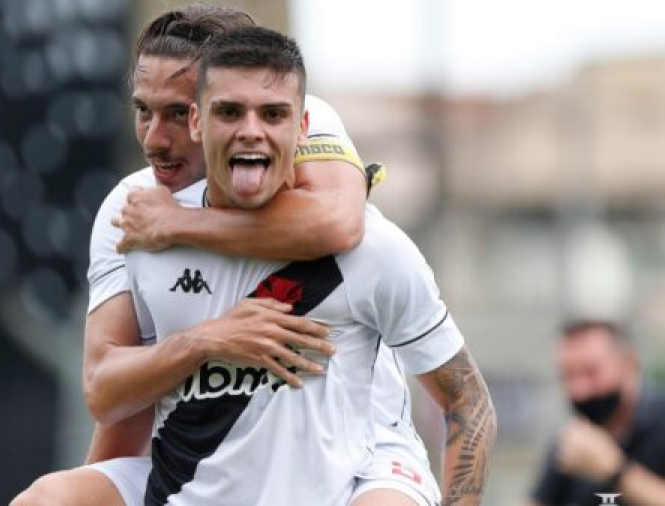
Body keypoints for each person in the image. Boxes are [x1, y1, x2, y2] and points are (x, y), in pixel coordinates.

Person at [12, 7, 435, 506]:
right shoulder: (130, 209)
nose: (153, 139)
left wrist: (178, 224)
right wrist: (205, 341)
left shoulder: (301, 121)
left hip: (362, 452)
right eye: (143, 111)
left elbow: (341, 223)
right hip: (209, 458)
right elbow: (111, 397)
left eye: (176, 113)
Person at [122, 26, 495, 506]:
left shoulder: (372, 249)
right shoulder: (147, 237)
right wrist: (200, 343)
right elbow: (114, 401)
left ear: (302, 128)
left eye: (273, 114)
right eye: (229, 111)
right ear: (196, 121)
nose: (250, 129)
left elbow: (468, 400)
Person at [526, 320, 665, 506]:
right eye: (568, 375)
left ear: (629, 364)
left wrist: (615, 471)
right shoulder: (572, 439)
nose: (579, 390)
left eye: (591, 372)